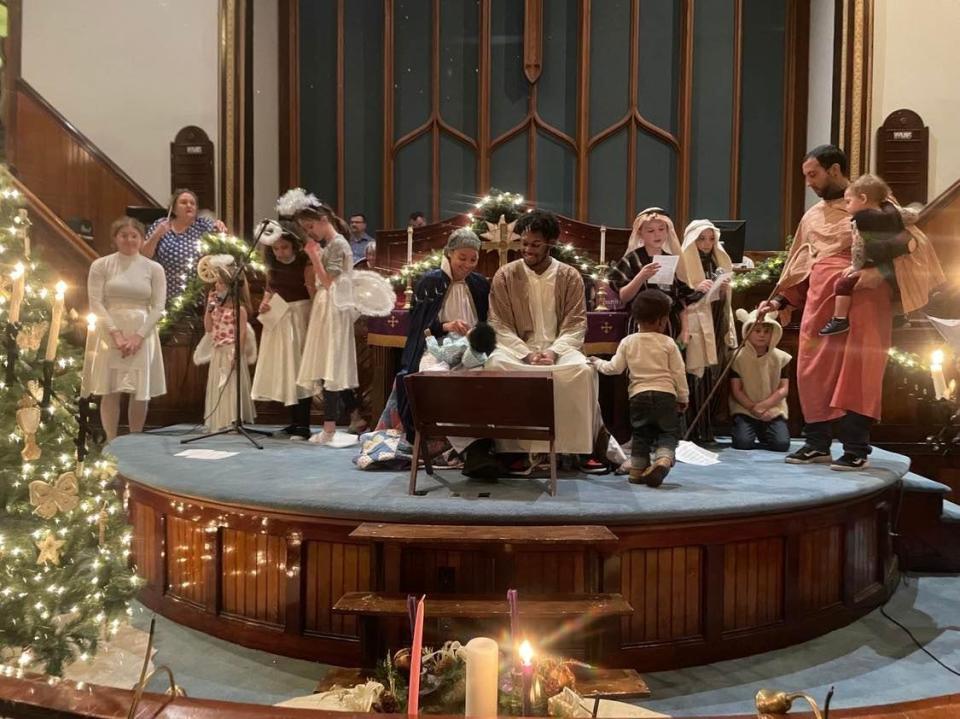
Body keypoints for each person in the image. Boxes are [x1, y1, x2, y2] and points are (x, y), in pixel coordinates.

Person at [758, 144, 915, 470]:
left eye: (813, 174)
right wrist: (780, 299)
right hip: (819, 304)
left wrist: (879, 271)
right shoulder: (811, 216)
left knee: (859, 371)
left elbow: (909, 249)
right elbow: (801, 264)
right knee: (811, 370)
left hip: (865, 300)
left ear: (834, 170)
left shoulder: (874, 204)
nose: (809, 182)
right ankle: (817, 444)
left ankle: (856, 448)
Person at [486, 209, 604, 460]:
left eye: (535, 244)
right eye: (525, 244)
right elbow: (499, 324)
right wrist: (526, 354)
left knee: (581, 371)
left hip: (558, 351)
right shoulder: (506, 275)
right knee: (496, 364)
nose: (527, 250)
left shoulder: (569, 276)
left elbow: (575, 324)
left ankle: (570, 452)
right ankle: (512, 452)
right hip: (518, 352)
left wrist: (553, 351)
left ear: (550, 243)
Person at [394, 227, 490, 439]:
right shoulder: (431, 282)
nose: (467, 265)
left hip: (471, 347)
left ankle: (474, 438)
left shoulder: (479, 284)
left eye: (473, 259)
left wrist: (476, 332)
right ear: (449, 253)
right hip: (437, 344)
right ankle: (441, 436)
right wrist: (446, 326)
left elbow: (488, 322)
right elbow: (420, 327)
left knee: (479, 378)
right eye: (461, 258)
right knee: (434, 377)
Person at [590, 290, 688, 487]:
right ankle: (663, 460)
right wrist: (683, 397)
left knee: (641, 435)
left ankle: (636, 472)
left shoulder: (628, 341)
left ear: (635, 319)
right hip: (665, 395)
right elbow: (678, 372)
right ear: (663, 320)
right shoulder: (668, 343)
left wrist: (597, 362)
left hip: (638, 396)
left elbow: (614, 368)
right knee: (667, 433)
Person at [84, 217, 166, 441]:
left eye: (134, 236)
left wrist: (138, 336)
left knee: (140, 392)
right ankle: (111, 441)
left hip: (142, 331)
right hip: (109, 331)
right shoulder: (101, 265)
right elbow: (96, 302)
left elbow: (158, 307)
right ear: (115, 238)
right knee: (110, 389)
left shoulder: (154, 268)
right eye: (124, 235)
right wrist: (116, 334)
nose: (129, 240)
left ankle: (135, 440)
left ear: (141, 239)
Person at [290, 194, 364, 444]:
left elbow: (329, 280)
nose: (310, 233)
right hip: (327, 304)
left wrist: (313, 256)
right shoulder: (332, 244)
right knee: (326, 364)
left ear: (323, 220)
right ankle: (329, 426)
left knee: (332, 364)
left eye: (311, 227)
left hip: (333, 305)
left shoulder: (338, 244)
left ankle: (330, 428)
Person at [251, 220, 316, 439]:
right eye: (276, 248)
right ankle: (292, 422)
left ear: (294, 245)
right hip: (278, 318)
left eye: (284, 247)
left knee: (299, 370)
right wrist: (264, 303)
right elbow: (270, 289)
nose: (280, 252)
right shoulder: (273, 265)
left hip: (298, 317)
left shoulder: (304, 263)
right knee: (285, 370)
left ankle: (303, 425)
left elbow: (312, 293)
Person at [820, 173, 904, 336]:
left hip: (873, 262)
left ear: (863, 199)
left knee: (842, 284)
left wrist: (855, 267)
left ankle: (839, 319)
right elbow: (909, 215)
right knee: (896, 290)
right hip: (891, 264)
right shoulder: (890, 210)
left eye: (848, 202)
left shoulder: (861, 220)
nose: (846, 206)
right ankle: (900, 316)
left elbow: (858, 247)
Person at [608, 208, 707, 341]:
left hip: (669, 325)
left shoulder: (671, 260)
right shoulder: (632, 259)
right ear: (640, 233)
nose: (657, 235)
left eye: (661, 229)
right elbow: (624, 297)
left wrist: (685, 330)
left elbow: (679, 301)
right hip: (640, 325)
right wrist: (641, 276)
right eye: (650, 231)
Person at [679, 219, 736, 442]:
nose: (706, 243)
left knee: (711, 376)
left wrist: (721, 290)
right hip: (692, 325)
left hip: (714, 321)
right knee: (693, 376)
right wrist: (697, 290)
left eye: (711, 239)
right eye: (701, 238)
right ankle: (689, 430)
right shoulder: (683, 262)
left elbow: (723, 301)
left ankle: (705, 428)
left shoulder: (717, 261)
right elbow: (680, 296)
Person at [193, 263, 257, 432]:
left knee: (230, 387)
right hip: (218, 351)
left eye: (220, 283)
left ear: (231, 286)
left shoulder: (239, 309)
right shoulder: (216, 307)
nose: (216, 286)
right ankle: (219, 420)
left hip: (232, 351)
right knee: (218, 385)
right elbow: (208, 327)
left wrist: (237, 354)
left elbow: (242, 333)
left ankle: (233, 420)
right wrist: (209, 308)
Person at [143, 189, 227, 305]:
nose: (189, 205)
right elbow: (144, 255)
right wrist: (157, 234)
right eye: (183, 202)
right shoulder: (161, 224)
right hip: (165, 295)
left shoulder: (203, 225)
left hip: (198, 297)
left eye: (192, 203)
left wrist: (220, 227)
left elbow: (224, 244)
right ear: (173, 208)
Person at [729, 308, 792, 452]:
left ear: (773, 334)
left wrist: (764, 406)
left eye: (766, 331)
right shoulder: (737, 357)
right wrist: (753, 408)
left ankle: (765, 431)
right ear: (747, 332)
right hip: (746, 409)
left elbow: (783, 389)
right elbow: (736, 390)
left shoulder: (781, 357)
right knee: (743, 443)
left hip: (773, 409)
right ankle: (746, 428)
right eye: (757, 331)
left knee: (781, 445)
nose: (762, 335)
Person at [422, 321, 497, 370]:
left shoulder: (462, 345)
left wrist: (430, 338)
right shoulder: (482, 356)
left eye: (473, 328)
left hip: (443, 360)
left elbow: (440, 353)